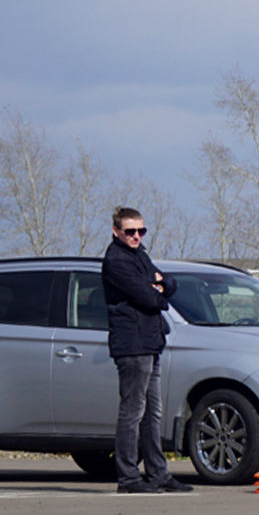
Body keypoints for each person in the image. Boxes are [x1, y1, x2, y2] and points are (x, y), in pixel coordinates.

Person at [100, 206, 192, 494]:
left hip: (150, 341)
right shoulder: (117, 260)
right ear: (116, 232)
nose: (136, 236)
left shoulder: (139, 255)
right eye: (130, 231)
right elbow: (149, 297)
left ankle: (158, 474)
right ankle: (128, 477)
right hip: (132, 344)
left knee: (153, 411)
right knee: (133, 411)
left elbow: (170, 283)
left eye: (141, 231)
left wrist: (160, 285)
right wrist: (157, 289)